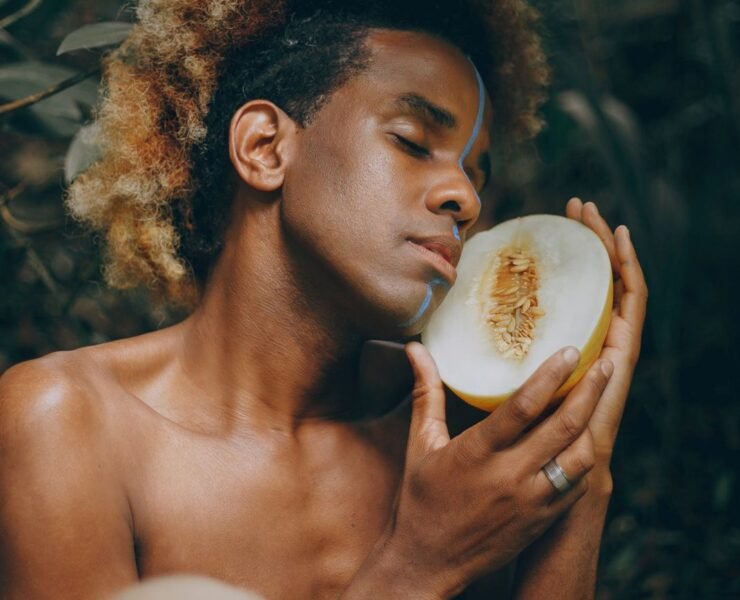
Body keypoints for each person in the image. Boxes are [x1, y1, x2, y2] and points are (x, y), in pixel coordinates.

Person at [0, 1, 647, 598]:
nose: (465, 199)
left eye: (475, 175)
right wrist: (419, 567)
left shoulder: (460, 446)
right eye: (412, 141)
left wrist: (583, 470)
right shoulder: (69, 422)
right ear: (264, 148)